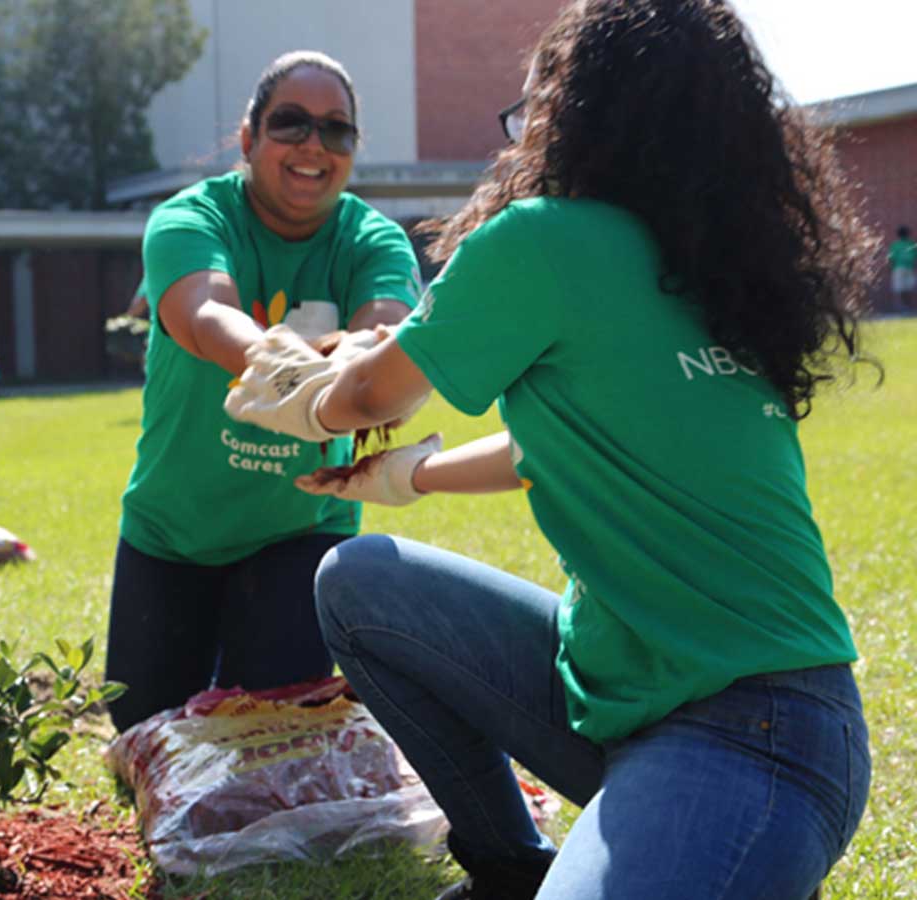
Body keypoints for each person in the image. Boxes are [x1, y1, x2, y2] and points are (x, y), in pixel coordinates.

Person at [226, 3, 876, 897]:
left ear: (578, 113)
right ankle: (508, 866)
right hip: (669, 699)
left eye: (534, 109)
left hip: (748, 734)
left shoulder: (544, 239)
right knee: (362, 582)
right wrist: (408, 476)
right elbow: (557, 450)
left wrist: (306, 395)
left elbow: (372, 394)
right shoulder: (718, 271)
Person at [103, 50, 424, 733]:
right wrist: (307, 377)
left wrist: (368, 366)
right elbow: (205, 316)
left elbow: (387, 335)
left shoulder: (374, 242)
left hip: (299, 529)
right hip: (174, 528)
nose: (314, 145)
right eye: (291, 123)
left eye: (336, 131)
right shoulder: (190, 219)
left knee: (269, 737)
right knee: (142, 734)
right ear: (248, 139)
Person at [889, 225, 915, 311]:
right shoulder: (912, 244)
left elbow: (891, 258)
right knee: (909, 288)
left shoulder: (895, 245)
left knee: (899, 288)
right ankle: (909, 306)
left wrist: (890, 268)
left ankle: (899, 306)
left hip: (898, 268)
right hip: (909, 267)